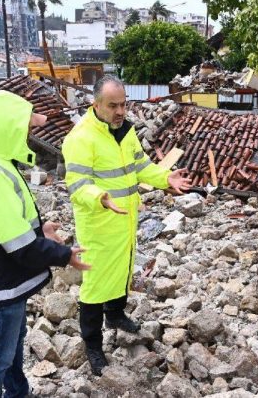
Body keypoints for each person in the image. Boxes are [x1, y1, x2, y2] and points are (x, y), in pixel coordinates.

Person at [0, 90, 91, 398]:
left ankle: (18, 392)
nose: (29, 135)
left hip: (4, 280)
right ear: (8, 127)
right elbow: (20, 246)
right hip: (2, 283)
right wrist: (64, 255)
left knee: (12, 344)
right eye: (26, 129)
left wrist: (39, 228)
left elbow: (7, 223)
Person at [62, 75, 192, 376]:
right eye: (113, 106)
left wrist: (165, 178)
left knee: (123, 269)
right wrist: (101, 197)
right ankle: (93, 346)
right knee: (94, 287)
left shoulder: (125, 131)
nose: (121, 111)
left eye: (123, 105)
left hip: (125, 219)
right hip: (99, 224)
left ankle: (116, 314)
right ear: (96, 105)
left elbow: (141, 166)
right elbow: (77, 185)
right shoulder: (81, 138)